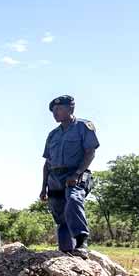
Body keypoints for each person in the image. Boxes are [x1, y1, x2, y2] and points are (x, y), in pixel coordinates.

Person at [40, 95, 99, 258]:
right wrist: (43, 187)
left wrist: (77, 173)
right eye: (53, 110)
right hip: (54, 178)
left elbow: (90, 152)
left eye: (59, 109)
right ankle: (66, 251)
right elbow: (47, 163)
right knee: (60, 215)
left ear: (71, 109)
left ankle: (81, 242)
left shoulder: (83, 126)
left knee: (73, 200)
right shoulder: (52, 134)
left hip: (76, 174)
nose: (55, 113)